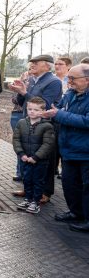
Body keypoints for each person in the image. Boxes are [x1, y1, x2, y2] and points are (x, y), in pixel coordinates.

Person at [42, 64, 89, 232]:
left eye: (73, 79)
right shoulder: (69, 94)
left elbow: (86, 121)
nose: (69, 82)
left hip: (85, 152)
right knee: (70, 184)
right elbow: (59, 109)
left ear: (87, 80)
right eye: (69, 78)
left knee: (87, 187)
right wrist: (51, 113)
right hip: (68, 149)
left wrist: (59, 115)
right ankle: (76, 212)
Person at [9, 54, 62, 203]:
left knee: (44, 159)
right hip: (28, 123)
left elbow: (44, 104)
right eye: (31, 63)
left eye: (35, 63)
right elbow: (22, 101)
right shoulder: (32, 79)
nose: (31, 65)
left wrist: (25, 92)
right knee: (27, 155)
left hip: (44, 125)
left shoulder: (54, 82)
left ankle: (45, 193)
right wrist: (19, 91)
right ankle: (28, 189)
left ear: (47, 65)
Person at [12, 97, 55, 214]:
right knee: (26, 180)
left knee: (38, 181)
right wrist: (21, 154)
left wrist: (36, 157)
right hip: (25, 159)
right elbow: (16, 139)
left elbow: (47, 144)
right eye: (30, 109)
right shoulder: (21, 123)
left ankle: (35, 202)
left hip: (39, 161)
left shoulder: (47, 126)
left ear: (42, 111)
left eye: (36, 110)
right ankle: (28, 199)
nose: (32, 112)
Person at [11, 65, 31, 181]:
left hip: (30, 116)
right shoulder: (20, 84)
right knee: (19, 143)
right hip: (17, 114)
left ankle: (26, 173)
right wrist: (20, 90)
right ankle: (19, 172)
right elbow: (14, 100)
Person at [53, 56, 72, 179]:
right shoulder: (52, 79)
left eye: (61, 64)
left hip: (67, 118)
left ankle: (65, 171)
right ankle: (54, 168)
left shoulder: (71, 81)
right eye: (56, 63)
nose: (57, 66)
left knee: (65, 145)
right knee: (53, 145)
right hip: (54, 117)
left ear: (68, 66)